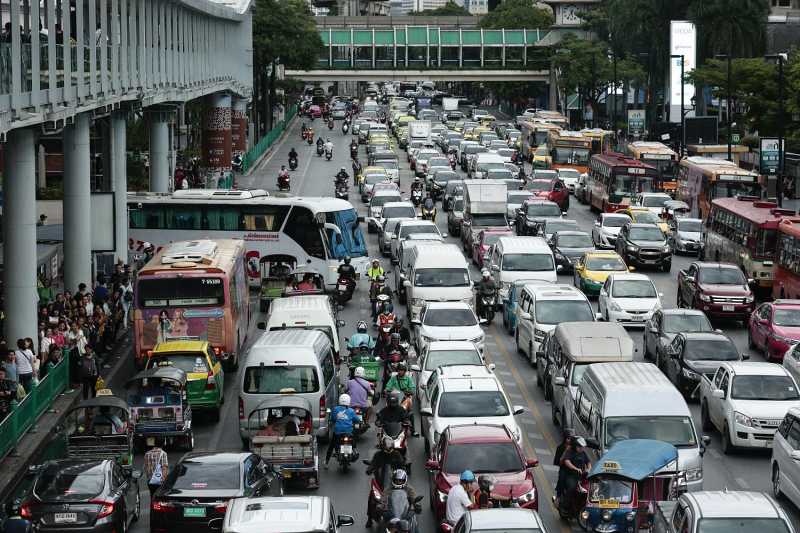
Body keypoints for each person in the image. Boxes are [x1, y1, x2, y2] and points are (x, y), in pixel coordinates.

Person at [366, 437, 407, 527]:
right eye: (386, 449)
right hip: (380, 482)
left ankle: (407, 512)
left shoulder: (397, 455)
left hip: (394, 482)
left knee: (406, 493)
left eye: (390, 449)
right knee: (371, 497)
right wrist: (369, 469)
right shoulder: (378, 455)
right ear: (382, 447)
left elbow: (402, 465)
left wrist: (403, 469)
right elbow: (373, 464)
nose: (388, 451)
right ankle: (369, 518)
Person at [325, 393, 361, 468]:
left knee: (331, 446)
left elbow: (333, 419)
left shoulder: (335, 409)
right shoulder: (351, 411)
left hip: (338, 432)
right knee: (354, 438)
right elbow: (357, 420)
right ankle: (353, 449)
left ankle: (326, 463)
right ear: (348, 401)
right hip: (348, 432)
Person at [384, 362, 417, 436]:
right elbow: (388, 387)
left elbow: (412, 388)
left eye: (401, 370)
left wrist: (409, 391)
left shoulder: (408, 379)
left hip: (405, 398)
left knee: (410, 413)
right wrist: (386, 390)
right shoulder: (393, 379)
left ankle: (413, 430)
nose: (400, 371)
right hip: (395, 399)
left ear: (404, 371)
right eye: (399, 370)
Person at [560, 437, 592, 511]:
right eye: (579, 447)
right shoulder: (570, 452)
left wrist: (589, 469)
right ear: (575, 446)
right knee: (572, 487)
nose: (581, 449)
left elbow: (588, 462)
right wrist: (575, 468)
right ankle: (565, 506)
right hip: (571, 476)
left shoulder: (583, 453)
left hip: (582, 476)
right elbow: (567, 461)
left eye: (582, 447)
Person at [553, 429, 574, 505]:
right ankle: (558, 497)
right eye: (568, 438)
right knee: (562, 478)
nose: (570, 440)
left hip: (575, 470)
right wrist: (566, 452)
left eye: (571, 439)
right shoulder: (560, 448)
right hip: (564, 469)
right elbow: (557, 462)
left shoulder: (576, 448)